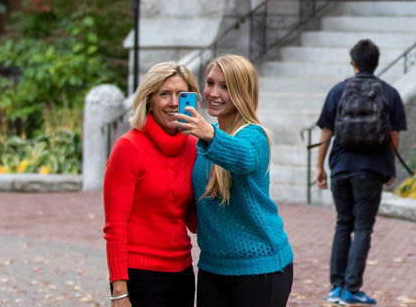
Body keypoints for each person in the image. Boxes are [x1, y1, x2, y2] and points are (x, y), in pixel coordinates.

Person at [175, 54, 294, 307]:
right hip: (213, 267)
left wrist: (209, 134)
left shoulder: (254, 135)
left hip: (260, 268)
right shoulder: (204, 140)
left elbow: (244, 158)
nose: (213, 93)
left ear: (242, 92)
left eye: (225, 86)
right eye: (210, 83)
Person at [313, 39, 406, 306]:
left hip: (341, 167)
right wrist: (390, 166)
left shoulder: (338, 91)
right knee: (363, 227)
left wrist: (320, 167)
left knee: (343, 224)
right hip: (372, 169)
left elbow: (326, 132)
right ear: (376, 63)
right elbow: (393, 135)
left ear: (353, 63)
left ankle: (336, 287)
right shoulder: (389, 93)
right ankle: (352, 288)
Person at [102, 63, 201, 307]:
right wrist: (119, 290)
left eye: (181, 95)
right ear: (149, 100)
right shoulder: (128, 147)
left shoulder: (193, 148)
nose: (172, 102)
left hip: (182, 273)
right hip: (139, 276)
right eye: (164, 94)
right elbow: (115, 227)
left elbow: (193, 221)